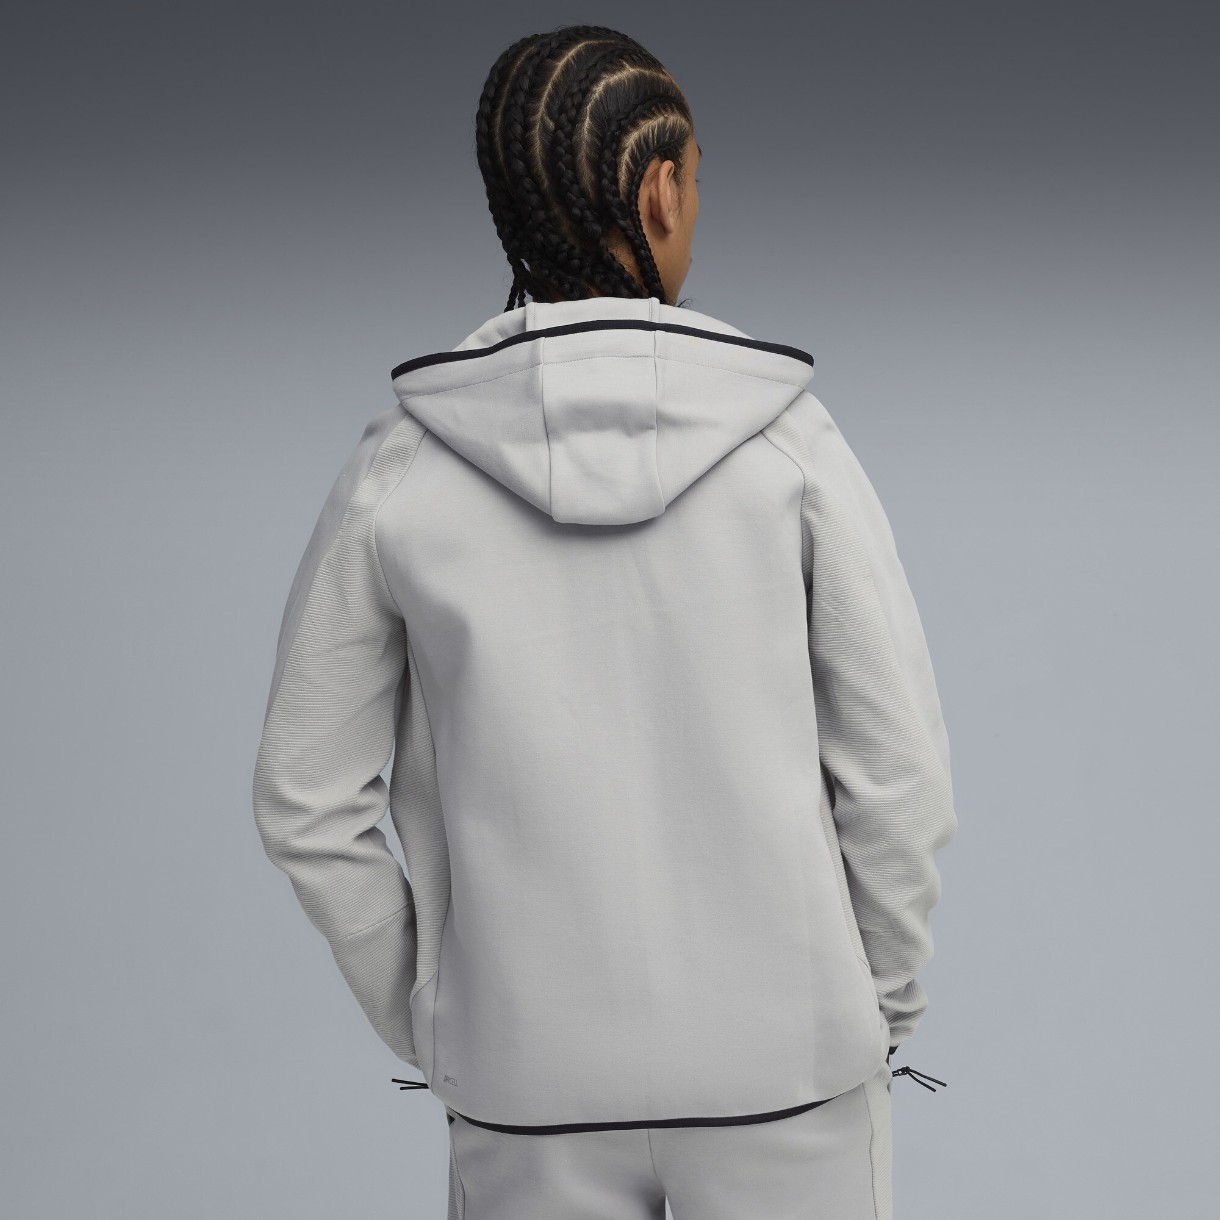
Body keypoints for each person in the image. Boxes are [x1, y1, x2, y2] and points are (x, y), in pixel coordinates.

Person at [251, 23, 956, 1220]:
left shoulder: (400, 470)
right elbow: (897, 775)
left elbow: (303, 798)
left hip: (524, 1085)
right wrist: (870, 1007)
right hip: (790, 1070)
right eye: (698, 181)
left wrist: (445, 1013)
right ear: (660, 190)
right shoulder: (790, 448)